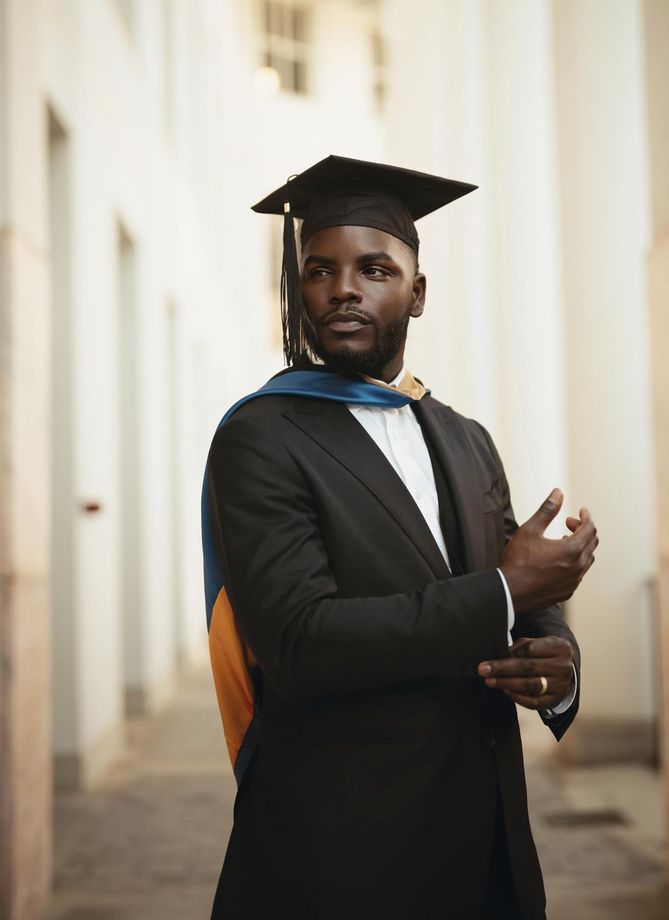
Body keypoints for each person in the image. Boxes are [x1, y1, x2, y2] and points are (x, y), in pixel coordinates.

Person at [202, 156, 598, 920]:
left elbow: (515, 592)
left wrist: (556, 661)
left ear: (417, 294)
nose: (344, 287)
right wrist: (509, 592)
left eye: (373, 267)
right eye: (320, 270)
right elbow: (300, 643)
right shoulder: (261, 435)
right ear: (301, 291)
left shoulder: (466, 438)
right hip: (340, 854)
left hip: (487, 852)